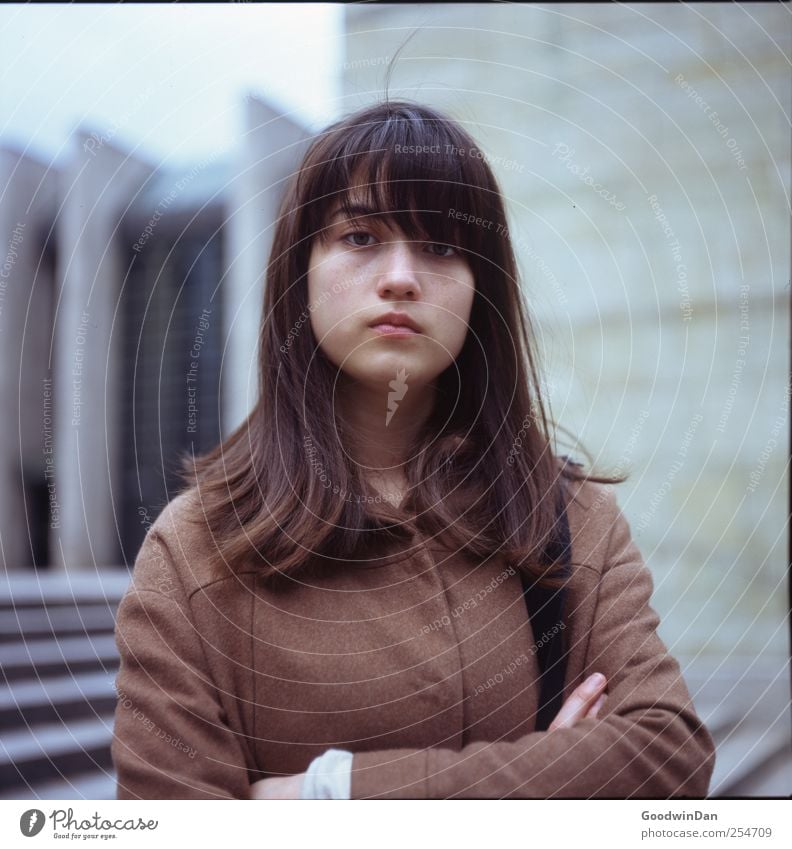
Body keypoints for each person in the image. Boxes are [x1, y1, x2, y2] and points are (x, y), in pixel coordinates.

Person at [110, 99, 716, 800]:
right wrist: (547, 781)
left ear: (478, 289)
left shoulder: (573, 522)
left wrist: (329, 794)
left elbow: (667, 754)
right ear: (299, 272)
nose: (401, 276)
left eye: (441, 246)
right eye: (361, 236)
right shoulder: (193, 551)